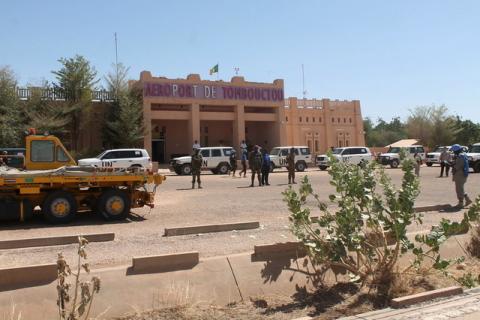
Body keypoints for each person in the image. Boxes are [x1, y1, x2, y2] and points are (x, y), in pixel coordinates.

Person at [451, 144, 472, 208]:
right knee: (461, 188)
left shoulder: (460, 157)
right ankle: (468, 200)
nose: (453, 152)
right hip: (462, 174)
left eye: (454, 151)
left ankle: (460, 203)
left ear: (456, 150)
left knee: (459, 189)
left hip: (460, 175)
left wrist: (450, 164)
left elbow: (457, 166)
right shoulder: (462, 155)